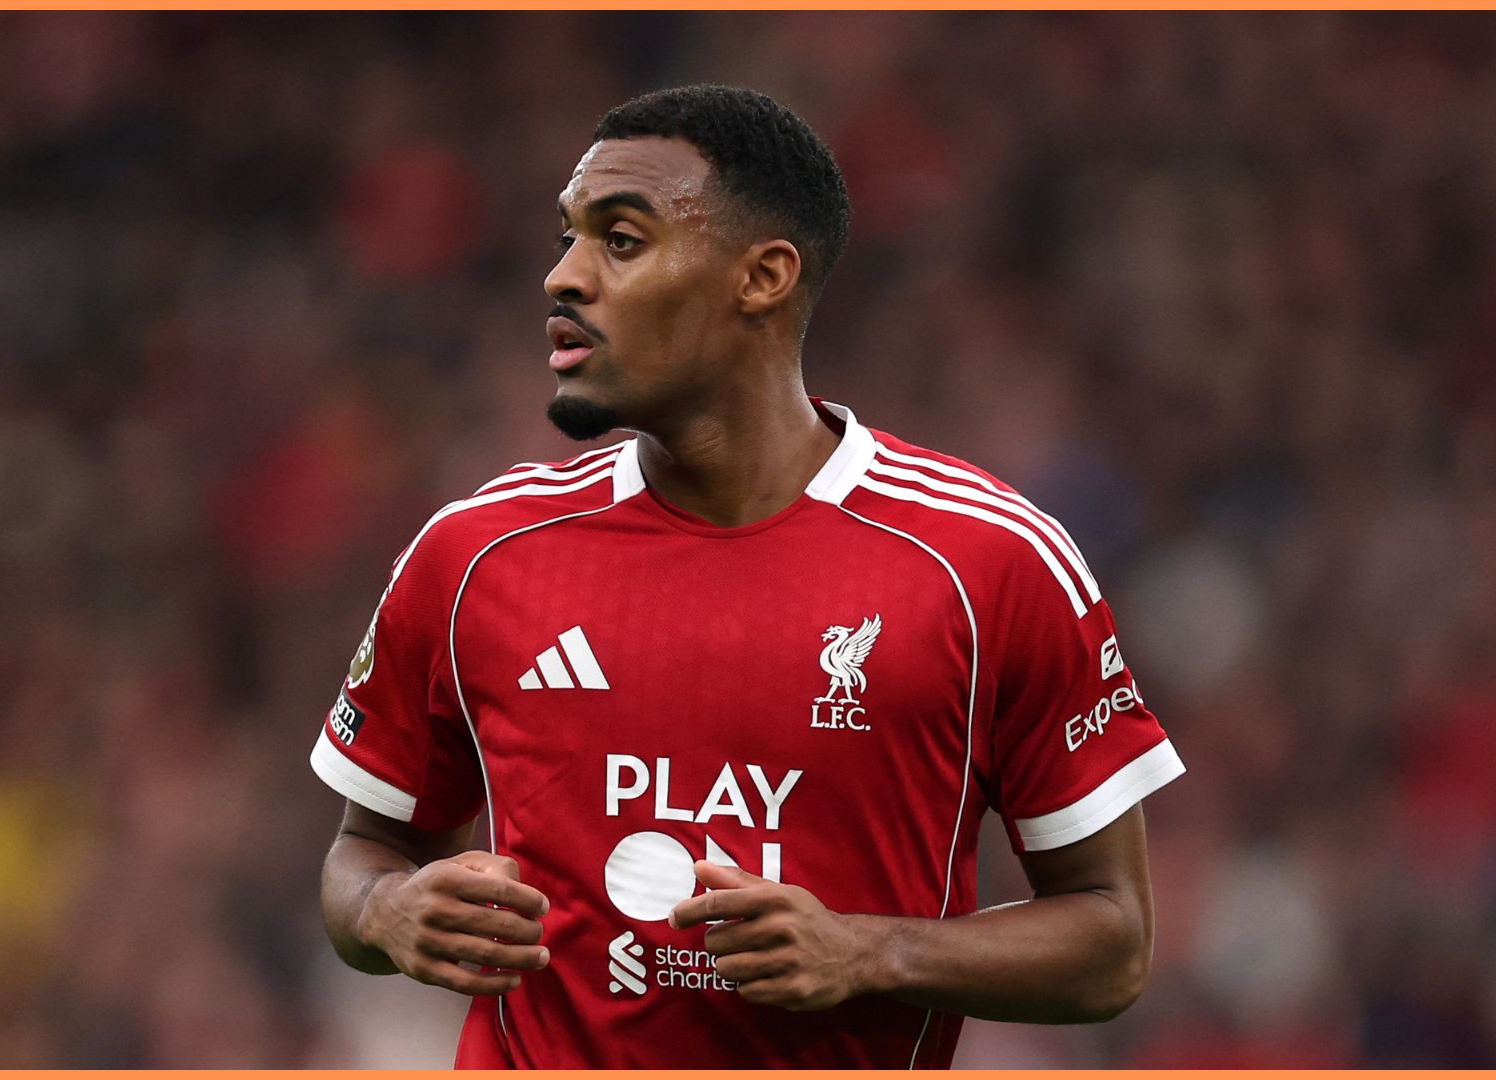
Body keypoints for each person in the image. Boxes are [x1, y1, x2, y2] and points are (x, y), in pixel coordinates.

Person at [311, 84, 1184, 1069]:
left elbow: (1114, 943)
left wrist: (871, 949)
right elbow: (361, 855)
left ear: (762, 277)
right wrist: (389, 912)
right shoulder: (475, 553)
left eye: (621, 240)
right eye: (567, 238)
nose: (563, 277)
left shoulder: (988, 563)